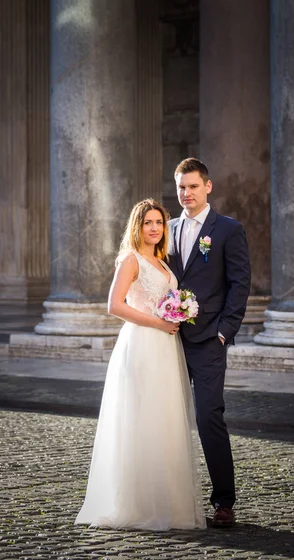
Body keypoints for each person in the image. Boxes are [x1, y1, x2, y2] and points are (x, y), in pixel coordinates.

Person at [75, 198, 206, 531]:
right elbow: (114, 305)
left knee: (165, 419)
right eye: (148, 222)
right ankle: (137, 504)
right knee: (142, 416)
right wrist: (158, 322)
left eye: (159, 223)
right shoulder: (131, 260)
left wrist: (178, 313)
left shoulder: (163, 262)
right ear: (138, 226)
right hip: (143, 343)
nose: (154, 228)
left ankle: (169, 503)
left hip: (166, 346)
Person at [168, 158, 251, 528]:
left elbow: (240, 283)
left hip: (208, 341)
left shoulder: (228, 230)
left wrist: (224, 331)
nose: (186, 194)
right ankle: (166, 498)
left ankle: (223, 501)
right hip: (167, 339)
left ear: (208, 187)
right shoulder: (165, 229)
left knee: (207, 416)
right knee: (165, 419)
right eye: (181, 187)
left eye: (193, 187)